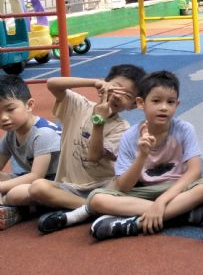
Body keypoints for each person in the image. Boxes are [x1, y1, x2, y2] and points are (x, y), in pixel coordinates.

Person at [86, 71, 203, 240]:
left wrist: (161, 202)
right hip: (144, 191)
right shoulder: (129, 136)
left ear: (177, 104)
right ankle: (182, 214)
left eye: (170, 102)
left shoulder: (185, 129)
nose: (164, 107)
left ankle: (136, 223)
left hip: (176, 188)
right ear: (141, 103)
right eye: (156, 101)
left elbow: (195, 171)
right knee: (96, 199)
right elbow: (124, 186)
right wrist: (142, 155)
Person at [28, 65, 146, 233]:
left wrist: (99, 120)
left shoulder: (122, 128)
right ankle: (91, 208)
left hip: (102, 186)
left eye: (127, 95)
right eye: (115, 87)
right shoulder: (79, 105)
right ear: (105, 84)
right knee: (36, 188)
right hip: (70, 186)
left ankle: (86, 209)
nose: (117, 96)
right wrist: (93, 82)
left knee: (119, 183)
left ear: (133, 105)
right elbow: (52, 83)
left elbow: (94, 156)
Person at [0, 75, 62, 230]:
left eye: (10, 109)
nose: (3, 118)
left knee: (16, 194)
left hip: (60, 182)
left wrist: (2, 187)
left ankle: (11, 206)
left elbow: (36, 176)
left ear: (29, 105)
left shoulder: (43, 133)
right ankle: (16, 207)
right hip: (36, 181)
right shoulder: (11, 134)